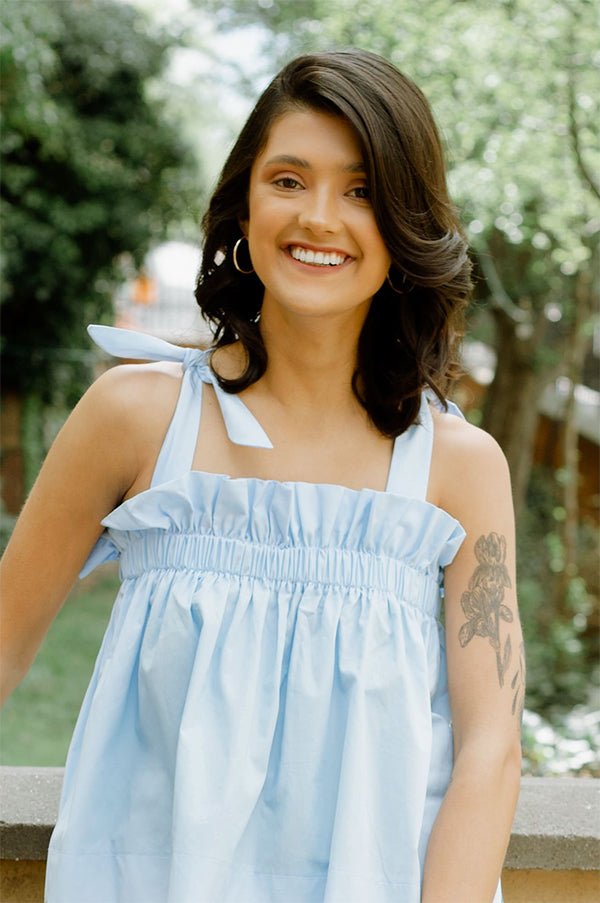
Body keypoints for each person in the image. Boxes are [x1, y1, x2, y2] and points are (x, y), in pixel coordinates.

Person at [0, 50, 524, 903]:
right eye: (289, 179)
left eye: (362, 191)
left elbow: (490, 752)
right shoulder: (134, 415)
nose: (319, 217)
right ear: (245, 202)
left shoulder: (460, 467)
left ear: (406, 222)